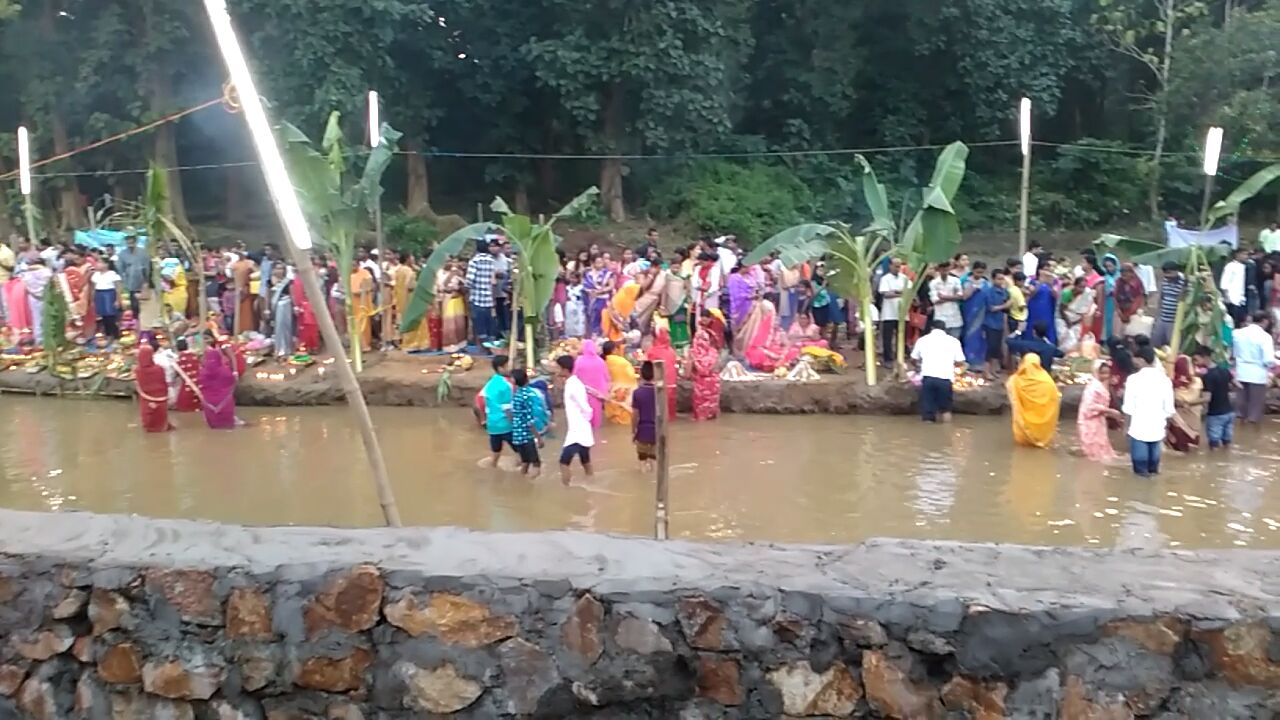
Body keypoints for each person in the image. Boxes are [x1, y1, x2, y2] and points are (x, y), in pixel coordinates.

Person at [1122, 345, 1175, 477]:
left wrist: (1126, 427)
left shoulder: (1133, 380)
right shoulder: (1165, 380)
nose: (1133, 361)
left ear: (1141, 360)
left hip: (1138, 429)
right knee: (1154, 471)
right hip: (1158, 430)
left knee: (1140, 473)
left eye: (1135, 359)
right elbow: (1169, 409)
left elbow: (1129, 407)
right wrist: (1167, 429)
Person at [912, 320, 966, 423]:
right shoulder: (954, 341)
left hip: (928, 378)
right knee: (946, 410)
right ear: (945, 329)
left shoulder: (922, 340)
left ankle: (928, 427)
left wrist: (918, 366)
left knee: (928, 412)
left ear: (931, 328)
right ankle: (947, 429)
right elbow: (960, 362)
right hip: (945, 379)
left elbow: (913, 359)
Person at [556, 355, 595, 485]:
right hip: (580, 429)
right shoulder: (572, 383)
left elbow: (585, 407)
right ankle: (592, 483)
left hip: (577, 431)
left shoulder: (573, 385)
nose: (556, 370)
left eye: (558, 368)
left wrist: (586, 420)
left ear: (565, 369)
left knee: (563, 462)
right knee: (585, 461)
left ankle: (566, 488)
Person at [1007, 354, 1061, 448]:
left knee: (1022, 447)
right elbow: (1055, 399)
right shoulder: (1047, 381)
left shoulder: (1015, 380)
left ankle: (1026, 441)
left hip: (1024, 425)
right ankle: (1041, 441)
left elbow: (1013, 399)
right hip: (1044, 425)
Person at [1232, 311, 1275, 424]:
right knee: (1255, 408)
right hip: (1258, 374)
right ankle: (1252, 428)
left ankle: (1239, 428)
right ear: (1265, 321)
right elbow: (1268, 359)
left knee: (1240, 405)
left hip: (1241, 371)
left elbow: (1234, 353)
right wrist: (1271, 369)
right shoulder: (1265, 337)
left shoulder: (1237, 333)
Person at [1077, 361, 1122, 462]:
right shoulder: (1092, 388)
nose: (1105, 376)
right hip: (1089, 422)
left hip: (1098, 421)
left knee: (1101, 446)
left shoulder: (1101, 385)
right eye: (1102, 373)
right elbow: (1090, 406)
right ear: (1096, 372)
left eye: (1107, 373)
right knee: (1092, 449)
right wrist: (1110, 411)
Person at [1195, 345, 1234, 450]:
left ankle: (1213, 460)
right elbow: (1237, 384)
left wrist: (1188, 402)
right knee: (1227, 443)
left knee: (1214, 445)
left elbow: (1207, 398)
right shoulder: (1224, 370)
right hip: (1229, 412)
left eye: (1196, 359)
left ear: (1204, 357)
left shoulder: (1208, 376)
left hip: (1216, 415)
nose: (1195, 363)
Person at [1165, 355, 1203, 452]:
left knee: (1177, 451)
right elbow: (1201, 398)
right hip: (1193, 422)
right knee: (1192, 451)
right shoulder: (1197, 381)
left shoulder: (1170, 383)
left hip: (1178, 423)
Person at [482, 355, 515, 467]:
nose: (510, 368)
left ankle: (493, 466)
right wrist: (514, 422)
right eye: (508, 366)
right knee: (520, 450)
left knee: (496, 449)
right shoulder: (506, 385)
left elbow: (484, 402)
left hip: (492, 423)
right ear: (501, 368)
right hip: (505, 423)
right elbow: (507, 408)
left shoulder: (490, 383)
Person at [510, 369, 543, 477]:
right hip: (526, 435)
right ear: (527, 379)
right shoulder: (527, 396)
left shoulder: (516, 395)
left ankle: (520, 482)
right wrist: (538, 437)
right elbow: (529, 420)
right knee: (536, 463)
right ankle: (530, 483)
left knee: (525, 461)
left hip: (517, 435)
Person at [690, 310, 722, 421]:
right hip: (705, 373)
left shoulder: (713, 333)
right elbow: (697, 352)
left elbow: (717, 349)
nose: (704, 319)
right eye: (702, 316)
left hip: (710, 374)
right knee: (703, 401)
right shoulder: (700, 334)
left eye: (706, 317)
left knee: (710, 401)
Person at [199, 345, 241, 430]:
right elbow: (233, 381)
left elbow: (201, 384)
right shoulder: (225, 371)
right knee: (228, 427)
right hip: (225, 404)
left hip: (209, 405)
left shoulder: (202, 373)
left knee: (213, 427)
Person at [464, 240, 497, 345]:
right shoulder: (492, 260)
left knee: (479, 325)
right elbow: (494, 280)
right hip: (489, 298)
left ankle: (483, 346)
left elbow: (469, 281)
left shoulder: (474, 261)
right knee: (490, 324)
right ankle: (492, 346)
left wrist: (465, 287)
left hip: (477, 298)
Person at [134, 345, 174, 433]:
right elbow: (164, 383)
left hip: (147, 399)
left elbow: (140, 385)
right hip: (161, 399)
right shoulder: (159, 369)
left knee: (149, 418)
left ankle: (150, 427)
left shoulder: (138, 370)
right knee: (161, 419)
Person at [960, 261, 990, 368]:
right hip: (968, 313)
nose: (979, 275)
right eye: (977, 272)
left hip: (981, 314)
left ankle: (978, 362)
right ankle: (967, 360)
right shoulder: (965, 281)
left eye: (981, 273)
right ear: (973, 270)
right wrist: (972, 290)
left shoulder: (986, 283)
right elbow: (963, 297)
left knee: (979, 337)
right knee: (968, 335)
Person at [878, 258, 907, 366]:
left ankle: (900, 357)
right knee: (887, 338)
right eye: (895, 266)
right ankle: (888, 359)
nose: (897, 268)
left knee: (901, 337)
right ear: (890, 266)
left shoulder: (904, 278)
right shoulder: (885, 279)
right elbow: (886, 294)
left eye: (899, 266)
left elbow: (909, 291)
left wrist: (895, 292)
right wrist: (900, 293)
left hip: (902, 313)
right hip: (889, 312)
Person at [632, 361, 659, 472]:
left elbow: (635, 414)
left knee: (642, 457)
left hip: (643, 429)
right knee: (654, 457)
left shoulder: (637, 393)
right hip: (657, 429)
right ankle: (653, 475)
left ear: (641, 375)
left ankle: (643, 475)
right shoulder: (659, 393)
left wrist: (633, 430)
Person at [647, 328, 679, 418]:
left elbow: (648, 368)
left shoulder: (652, 351)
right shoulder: (671, 351)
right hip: (671, 385)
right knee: (669, 412)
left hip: (660, 386)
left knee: (659, 412)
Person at [603, 340, 637, 425]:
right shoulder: (622, 361)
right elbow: (631, 375)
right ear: (614, 350)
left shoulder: (603, 362)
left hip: (611, 391)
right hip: (624, 389)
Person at [1057, 276, 1095, 352]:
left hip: (1076, 321)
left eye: (1084, 287)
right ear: (1075, 285)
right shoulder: (1067, 293)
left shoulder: (1086, 294)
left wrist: (1075, 322)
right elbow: (1061, 310)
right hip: (1063, 319)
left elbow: (1084, 311)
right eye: (1080, 287)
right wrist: (1068, 322)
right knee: (1063, 339)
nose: (1082, 290)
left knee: (1074, 341)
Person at [90, 257, 124, 339]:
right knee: (103, 315)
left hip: (109, 294)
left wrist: (117, 300)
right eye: (97, 262)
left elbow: (118, 288)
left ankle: (115, 334)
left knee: (111, 315)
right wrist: (92, 299)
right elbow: (93, 288)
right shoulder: (96, 275)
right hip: (99, 295)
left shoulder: (112, 274)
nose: (98, 264)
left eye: (100, 262)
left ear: (106, 264)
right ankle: (107, 333)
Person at [929, 261, 963, 339]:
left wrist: (943, 297)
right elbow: (935, 300)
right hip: (940, 318)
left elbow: (960, 296)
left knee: (954, 342)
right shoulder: (933, 283)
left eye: (947, 269)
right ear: (939, 269)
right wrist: (953, 297)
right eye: (943, 270)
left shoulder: (955, 280)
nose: (945, 272)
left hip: (955, 317)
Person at [1025, 267, 1059, 346]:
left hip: (1047, 311)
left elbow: (1056, 296)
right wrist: (1040, 282)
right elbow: (1031, 294)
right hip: (1035, 311)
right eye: (1044, 269)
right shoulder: (1032, 281)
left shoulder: (1054, 282)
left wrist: (1051, 285)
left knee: (1048, 330)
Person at [584, 255, 616, 337]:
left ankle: (603, 335)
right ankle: (593, 335)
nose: (599, 264)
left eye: (601, 262)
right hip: (592, 298)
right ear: (593, 263)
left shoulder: (607, 274)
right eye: (597, 262)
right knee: (592, 318)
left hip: (604, 299)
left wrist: (601, 291)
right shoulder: (589, 274)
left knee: (603, 317)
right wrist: (591, 291)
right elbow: (585, 286)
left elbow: (611, 286)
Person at [269, 265, 295, 358]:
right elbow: (268, 294)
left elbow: (292, 294)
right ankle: (278, 349)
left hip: (285, 305)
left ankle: (286, 349)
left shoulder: (288, 281)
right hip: (275, 306)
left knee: (285, 326)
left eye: (281, 268)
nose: (279, 270)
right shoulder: (270, 281)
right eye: (277, 268)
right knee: (277, 327)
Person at [1114, 263, 1146, 334]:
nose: (1123, 274)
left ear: (1132, 273)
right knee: (1118, 333)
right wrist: (1119, 312)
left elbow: (1139, 300)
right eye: (1122, 272)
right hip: (1120, 313)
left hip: (1134, 313)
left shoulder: (1137, 284)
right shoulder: (1118, 282)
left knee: (1132, 333)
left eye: (1126, 272)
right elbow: (1115, 297)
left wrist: (1128, 315)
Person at [1221, 248, 1249, 328]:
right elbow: (1224, 282)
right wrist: (1226, 297)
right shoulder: (1230, 266)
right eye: (1244, 254)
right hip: (1232, 299)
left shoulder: (1244, 267)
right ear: (1237, 254)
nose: (1246, 256)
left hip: (1241, 299)